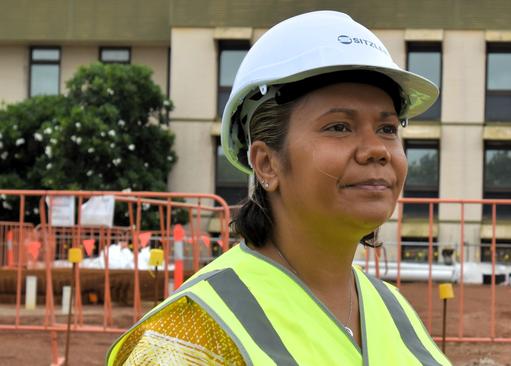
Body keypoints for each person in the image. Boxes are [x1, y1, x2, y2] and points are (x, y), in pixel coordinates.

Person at [107, 10, 451, 366]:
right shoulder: (190, 336)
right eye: (339, 127)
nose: (377, 150)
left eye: (388, 129)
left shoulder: (394, 312)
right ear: (266, 164)